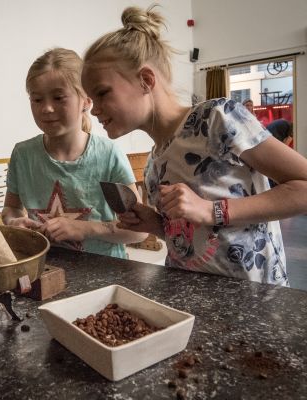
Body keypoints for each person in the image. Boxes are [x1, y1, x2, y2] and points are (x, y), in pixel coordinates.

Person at [81, 5, 307, 285]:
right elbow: (195, 237)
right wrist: (157, 225)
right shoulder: (154, 165)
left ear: (146, 80)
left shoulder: (217, 119)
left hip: (254, 302)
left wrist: (212, 210)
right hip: (190, 300)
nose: (93, 110)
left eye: (102, 93)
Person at [2, 48, 147, 259]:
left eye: (59, 97)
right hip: (46, 270)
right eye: (37, 99)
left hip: (104, 275)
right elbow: (11, 209)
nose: (47, 108)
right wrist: (14, 222)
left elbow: (139, 231)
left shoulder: (108, 155)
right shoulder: (23, 155)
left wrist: (84, 229)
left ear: (86, 101)